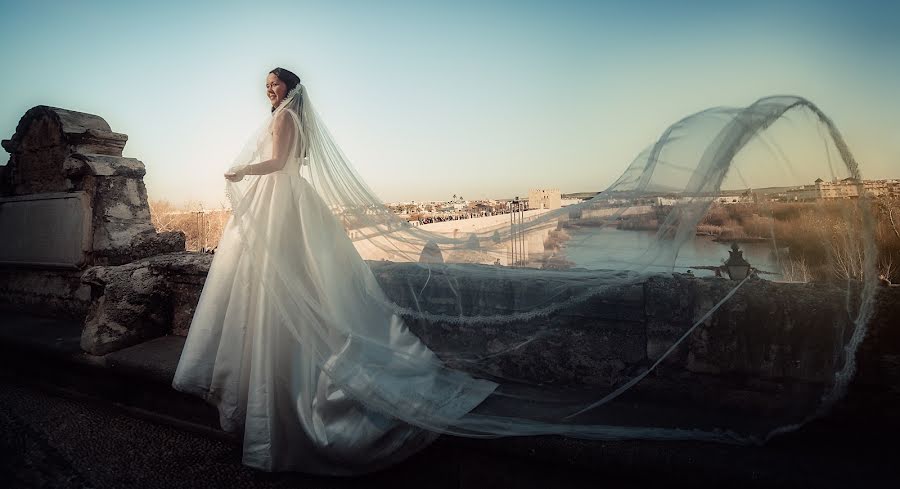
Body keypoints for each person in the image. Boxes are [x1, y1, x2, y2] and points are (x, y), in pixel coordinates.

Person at [172, 68, 497, 475]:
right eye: (266, 85)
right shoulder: (293, 119)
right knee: (281, 282)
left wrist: (240, 171)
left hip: (281, 198)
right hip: (287, 198)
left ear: (290, 87)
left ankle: (276, 398)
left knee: (280, 282)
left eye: (274, 83)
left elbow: (276, 161)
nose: (269, 89)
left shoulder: (283, 117)